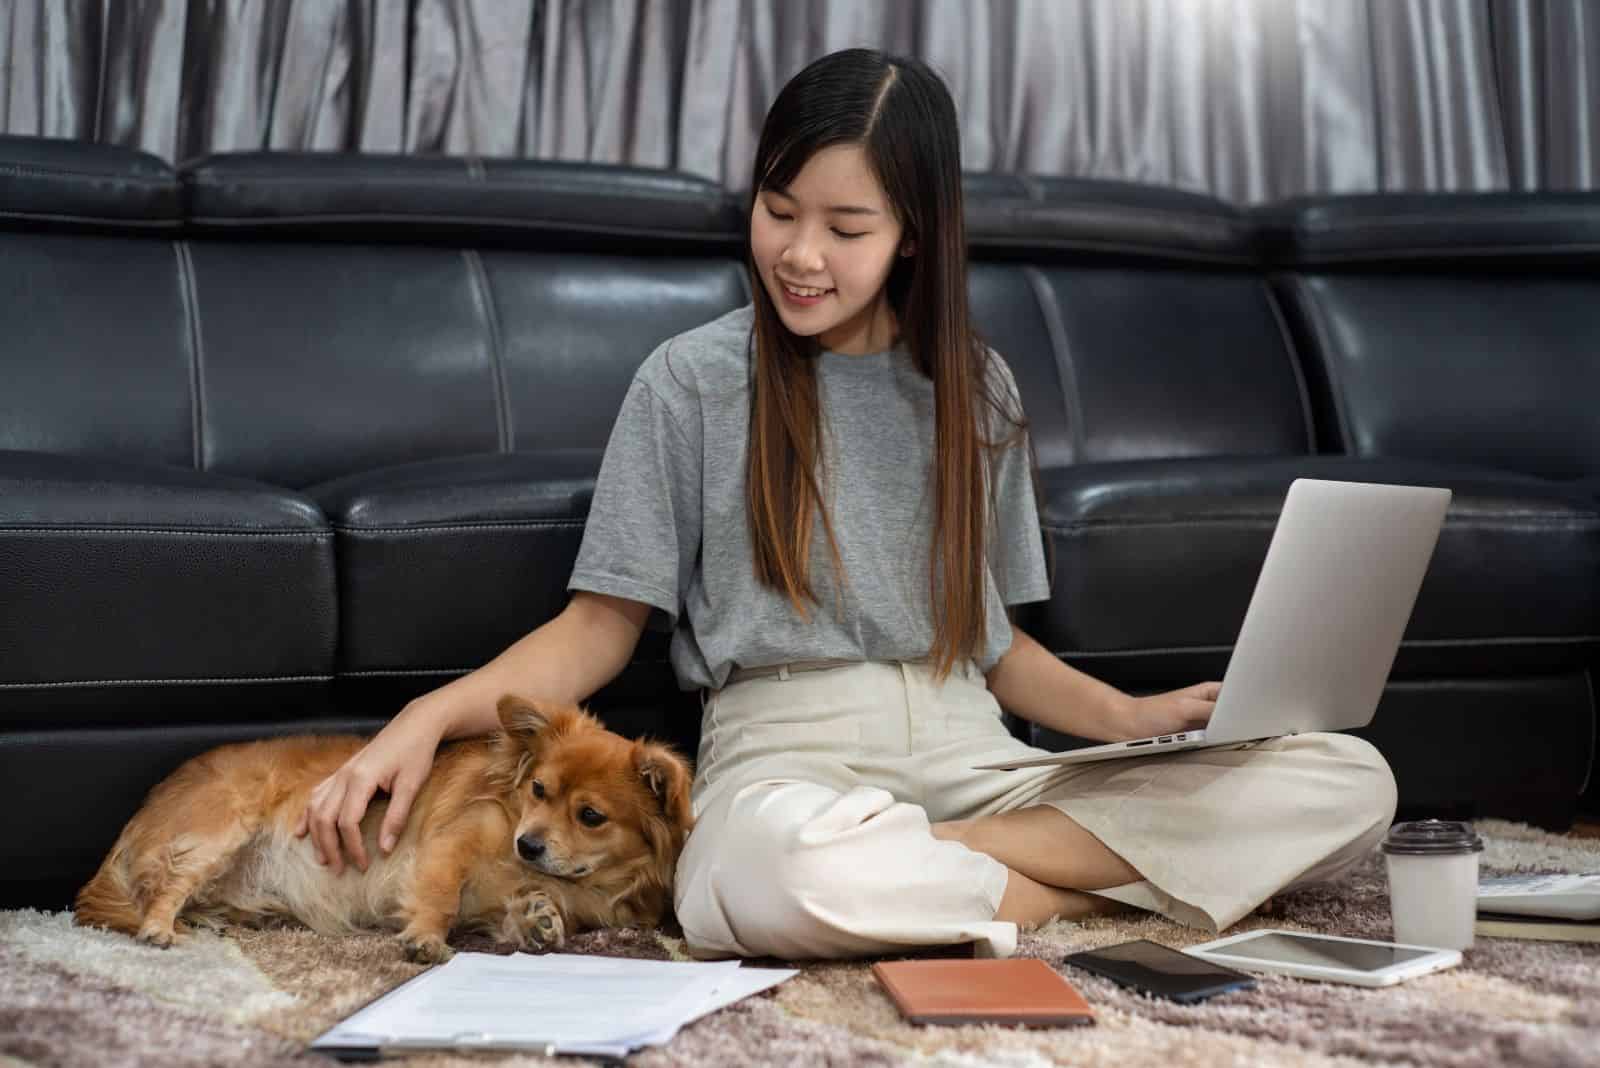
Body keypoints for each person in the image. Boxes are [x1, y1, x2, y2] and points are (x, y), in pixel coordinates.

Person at [297, 48, 1397, 961]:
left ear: (912, 233)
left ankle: (956, 866)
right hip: (788, 757)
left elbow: (996, 645)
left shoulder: (978, 386)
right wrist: (430, 716)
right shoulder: (688, 380)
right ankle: (1100, 890)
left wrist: (1132, 720)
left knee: (1349, 781)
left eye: (845, 227)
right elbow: (597, 628)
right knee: (770, 875)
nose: (800, 254)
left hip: (977, 756)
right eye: (779, 211)